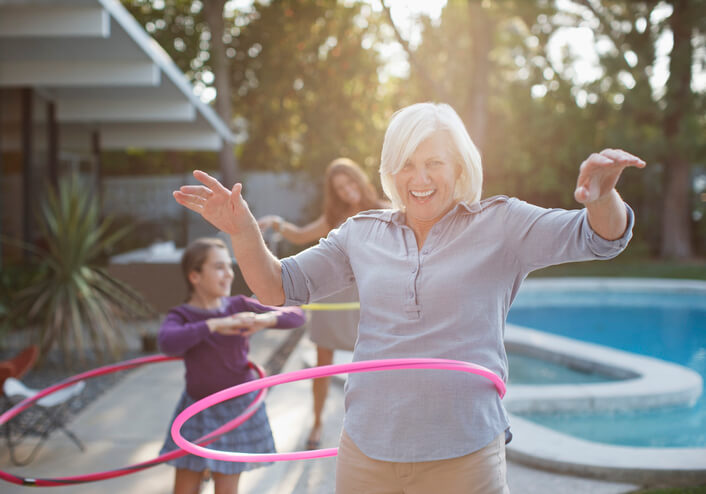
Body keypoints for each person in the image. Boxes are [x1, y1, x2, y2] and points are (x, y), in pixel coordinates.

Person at [172, 102, 645, 494]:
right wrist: (244, 232)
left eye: (434, 162)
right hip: (367, 453)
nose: (419, 177)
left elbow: (598, 238)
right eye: (407, 164)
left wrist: (602, 199)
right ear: (390, 170)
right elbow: (277, 287)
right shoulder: (360, 234)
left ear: (459, 166)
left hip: (464, 454)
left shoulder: (503, 224)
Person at [257, 157, 389, 450]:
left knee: (373, 365)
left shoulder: (385, 210)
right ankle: (317, 422)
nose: (346, 191)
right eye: (340, 188)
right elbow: (301, 234)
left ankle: (374, 425)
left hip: (367, 299)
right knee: (322, 363)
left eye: (350, 182)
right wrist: (275, 224)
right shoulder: (335, 218)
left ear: (359, 178)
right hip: (333, 297)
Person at [158, 237, 305, 494]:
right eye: (218, 267)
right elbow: (168, 342)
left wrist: (266, 320)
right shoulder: (183, 316)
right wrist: (214, 325)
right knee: (183, 488)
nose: (228, 274)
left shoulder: (239, 305)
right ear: (195, 276)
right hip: (196, 408)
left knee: (226, 489)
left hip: (237, 408)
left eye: (229, 266)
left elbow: (296, 315)